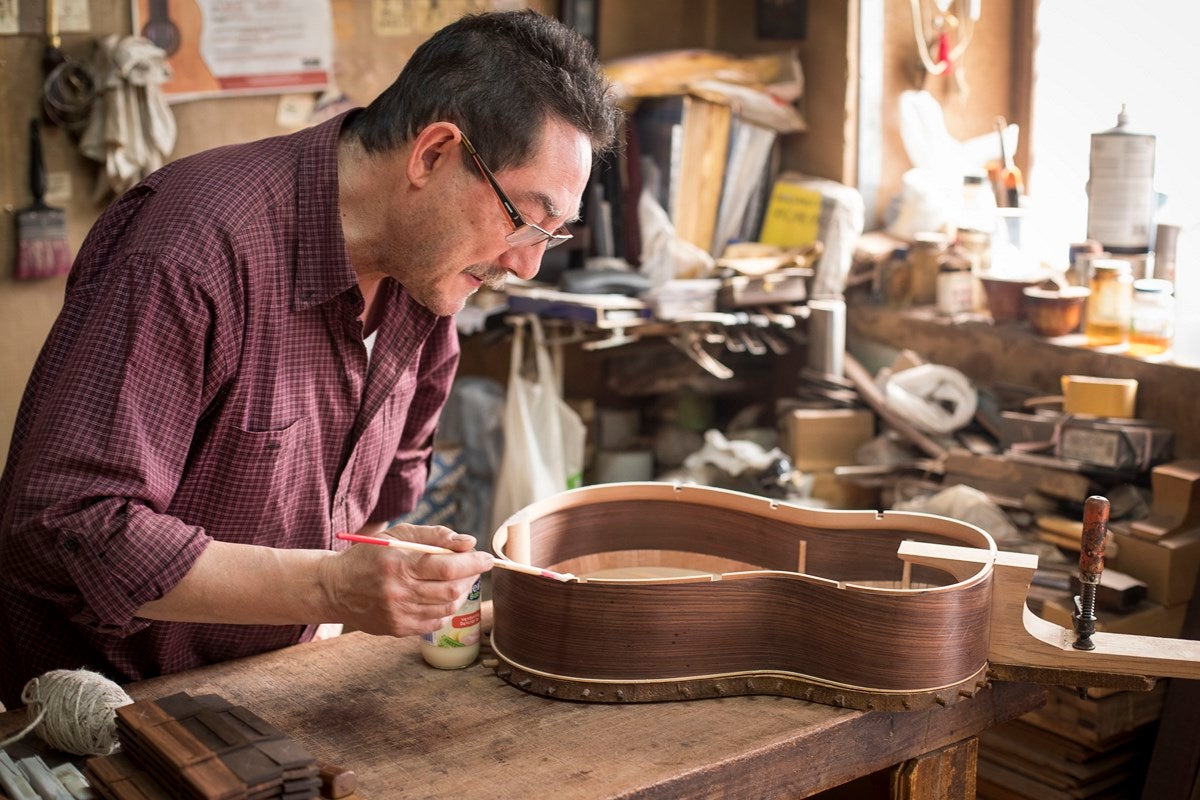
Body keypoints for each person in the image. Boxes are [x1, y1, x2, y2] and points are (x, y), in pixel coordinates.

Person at [0, 9, 620, 707]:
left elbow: (367, 516)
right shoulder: (191, 248)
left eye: (552, 234)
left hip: (269, 693)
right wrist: (328, 584)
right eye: (523, 218)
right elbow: (66, 525)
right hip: (99, 714)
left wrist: (382, 567)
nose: (528, 264)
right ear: (433, 155)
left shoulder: (427, 285)